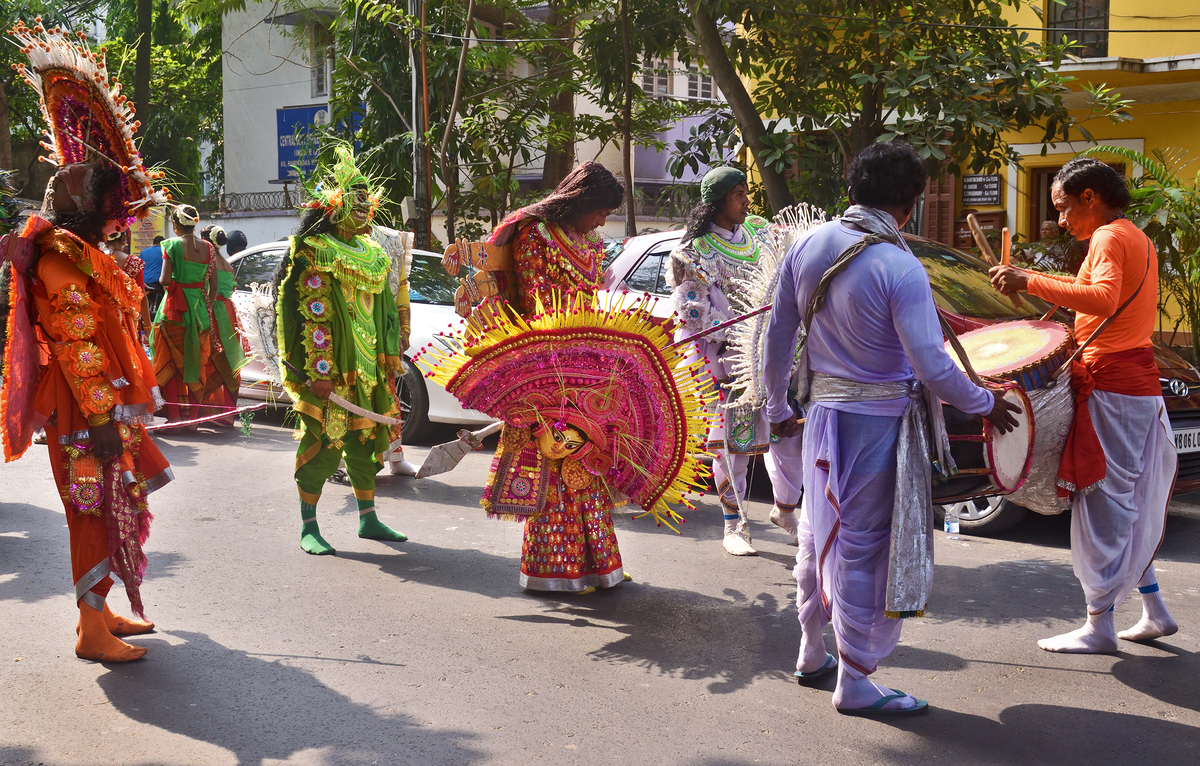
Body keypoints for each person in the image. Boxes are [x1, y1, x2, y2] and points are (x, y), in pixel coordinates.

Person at [763, 142, 1020, 714]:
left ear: (852, 190)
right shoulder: (898, 264)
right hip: (875, 426)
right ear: (911, 204)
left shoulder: (807, 245)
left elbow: (777, 334)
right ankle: (854, 683)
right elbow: (932, 367)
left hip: (822, 416)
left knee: (816, 531)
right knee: (862, 549)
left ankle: (811, 651)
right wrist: (985, 403)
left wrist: (776, 407)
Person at [0, 22, 173, 662]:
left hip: (101, 407)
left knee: (110, 502)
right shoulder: (61, 260)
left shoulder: (84, 255)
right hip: (84, 412)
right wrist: (102, 415)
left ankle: (97, 616)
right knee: (91, 509)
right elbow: (77, 347)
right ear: (82, 205)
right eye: (109, 202)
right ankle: (91, 631)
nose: (116, 215)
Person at [990, 157, 1178, 653]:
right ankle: (1155, 610)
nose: (1061, 220)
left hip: (1113, 385)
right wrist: (1031, 277)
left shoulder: (1109, 237)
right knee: (1127, 503)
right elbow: (1101, 297)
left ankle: (1099, 625)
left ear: (1090, 197)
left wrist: (1028, 281)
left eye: (1065, 208)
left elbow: (1103, 298)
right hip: (1132, 383)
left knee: (1104, 503)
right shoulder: (1135, 236)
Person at [417, 294, 713, 595]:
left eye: (568, 443)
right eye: (559, 439)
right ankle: (561, 576)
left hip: (583, 454)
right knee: (555, 513)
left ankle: (603, 570)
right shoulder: (533, 423)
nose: (561, 446)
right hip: (547, 452)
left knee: (594, 514)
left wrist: (581, 445)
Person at [451, 161, 625, 591]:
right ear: (581, 201)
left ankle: (597, 565)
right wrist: (563, 361)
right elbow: (539, 303)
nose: (603, 220)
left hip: (584, 364)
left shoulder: (590, 243)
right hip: (547, 367)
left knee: (589, 464)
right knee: (558, 464)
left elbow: (593, 300)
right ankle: (554, 571)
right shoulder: (536, 234)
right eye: (601, 209)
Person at [274, 145, 407, 555]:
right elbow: (311, 316)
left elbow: (384, 311)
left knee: (366, 445)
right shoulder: (316, 250)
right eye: (356, 199)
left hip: (368, 369)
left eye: (368, 199)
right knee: (325, 447)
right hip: (332, 372)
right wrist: (318, 371)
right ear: (334, 206)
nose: (364, 207)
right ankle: (309, 526)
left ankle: (368, 519)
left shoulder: (375, 255)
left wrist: (390, 355)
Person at [668, 166, 805, 555]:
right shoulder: (692, 254)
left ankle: (785, 511)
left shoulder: (762, 232)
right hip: (728, 361)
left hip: (777, 356)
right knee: (734, 444)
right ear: (717, 202)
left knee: (787, 436)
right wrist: (748, 338)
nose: (747, 201)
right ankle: (734, 524)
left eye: (747, 192)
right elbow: (695, 314)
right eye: (738, 194)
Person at [148, 204, 218, 426]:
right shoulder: (209, 248)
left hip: (174, 311)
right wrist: (204, 305)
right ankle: (194, 418)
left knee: (169, 360)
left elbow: (164, 280)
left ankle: (175, 417)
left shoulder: (172, 245)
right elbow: (213, 286)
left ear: (176, 225)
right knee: (195, 361)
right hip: (199, 311)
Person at [201, 227, 249, 427]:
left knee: (209, 358)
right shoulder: (228, 265)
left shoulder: (209, 264)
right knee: (229, 361)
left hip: (214, 311)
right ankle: (227, 412)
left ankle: (205, 408)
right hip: (229, 313)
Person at [141, 234, 165, 314]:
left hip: (144, 282)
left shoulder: (144, 252)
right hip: (158, 282)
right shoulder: (164, 251)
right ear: (163, 243)